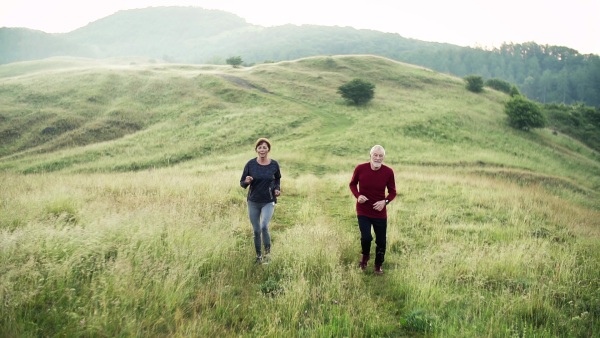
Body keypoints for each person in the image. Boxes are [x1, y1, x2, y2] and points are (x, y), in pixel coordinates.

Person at [349, 145, 396, 275]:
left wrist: (385, 202)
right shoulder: (360, 168)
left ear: (383, 158)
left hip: (380, 212)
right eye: (375, 155)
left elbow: (392, 192)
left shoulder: (388, 172)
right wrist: (358, 196)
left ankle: (378, 265)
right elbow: (352, 184)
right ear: (370, 155)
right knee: (366, 238)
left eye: (380, 156)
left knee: (381, 240)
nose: (378, 158)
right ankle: (365, 258)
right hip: (363, 210)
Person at [240, 138, 281, 264]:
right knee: (256, 230)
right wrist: (247, 181)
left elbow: (277, 179)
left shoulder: (274, 164)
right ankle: (259, 257)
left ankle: (268, 255)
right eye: (259, 147)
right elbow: (242, 183)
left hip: (268, 201)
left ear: (268, 149)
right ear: (256, 150)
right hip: (253, 201)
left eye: (264, 147)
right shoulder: (250, 164)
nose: (262, 149)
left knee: (264, 226)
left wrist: (277, 189)